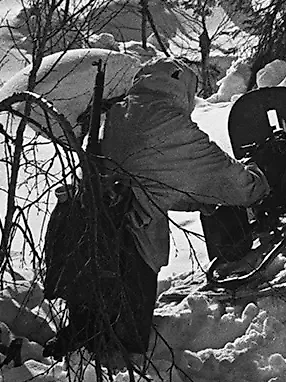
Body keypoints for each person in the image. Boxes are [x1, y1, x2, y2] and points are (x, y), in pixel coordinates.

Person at [44, 58, 270, 361]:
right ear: (183, 87)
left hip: (81, 236)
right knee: (121, 345)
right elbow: (233, 184)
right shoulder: (168, 124)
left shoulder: (118, 112)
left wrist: (202, 201)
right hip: (127, 249)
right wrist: (260, 177)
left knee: (88, 325)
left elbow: (155, 181)